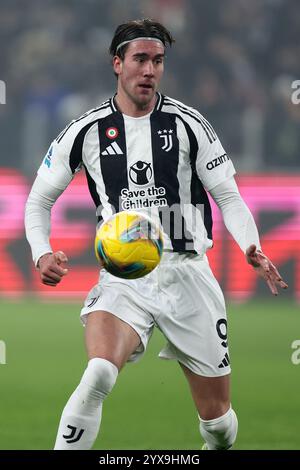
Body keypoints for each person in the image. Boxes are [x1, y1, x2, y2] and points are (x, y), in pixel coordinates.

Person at [24, 18, 288, 450]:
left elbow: (228, 196)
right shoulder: (85, 131)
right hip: (124, 279)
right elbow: (38, 201)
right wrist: (41, 253)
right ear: (117, 64)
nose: (150, 70)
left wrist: (251, 245)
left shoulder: (189, 124)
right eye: (141, 59)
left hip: (189, 275)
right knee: (98, 374)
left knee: (218, 422)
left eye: (158, 61)